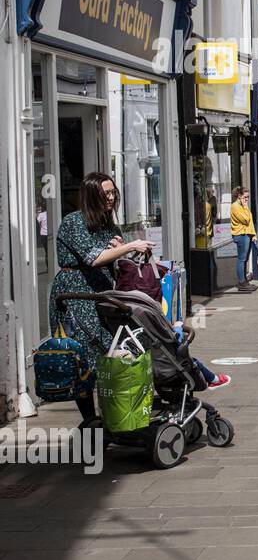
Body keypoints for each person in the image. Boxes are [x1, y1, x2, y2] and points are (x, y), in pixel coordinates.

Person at [48, 173, 159, 421]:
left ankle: (111, 414)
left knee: (109, 350)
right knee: (84, 356)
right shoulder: (73, 222)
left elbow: (108, 261)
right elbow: (93, 258)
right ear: (91, 196)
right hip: (74, 294)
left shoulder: (108, 225)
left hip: (102, 294)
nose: (111, 198)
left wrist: (117, 250)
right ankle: (90, 420)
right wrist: (129, 246)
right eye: (105, 194)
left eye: (113, 193)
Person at [230, 186, 258, 292]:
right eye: (245, 197)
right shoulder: (235, 206)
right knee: (241, 259)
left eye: (248, 197)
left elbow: (250, 222)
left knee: (245, 259)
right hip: (241, 235)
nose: (247, 199)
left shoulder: (242, 206)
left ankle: (244, 281)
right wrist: (245, 206)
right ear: (239, 196)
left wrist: (254, 235)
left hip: (247, 234)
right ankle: (241, 282)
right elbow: (246, 220)